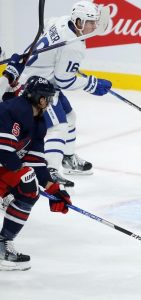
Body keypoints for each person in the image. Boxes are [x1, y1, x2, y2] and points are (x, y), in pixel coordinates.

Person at [20, 0, 112, 188]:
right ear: (78, 21)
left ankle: (67, 158)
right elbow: (64, 81)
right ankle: (50, 170)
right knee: (59, 126)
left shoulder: (62, 21)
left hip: (37, 75)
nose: (94, 26)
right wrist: (91, 83)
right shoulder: (74, 46)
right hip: (36, 86)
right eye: (90, 22)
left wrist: (56, 59)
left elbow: (46, 23)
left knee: (70, 116)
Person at [0, 76, 72, 271]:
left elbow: (36, 164)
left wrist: (55, 190)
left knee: (29, 189)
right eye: (48, 98)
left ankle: (2, 243)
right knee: (26, 179)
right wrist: (22, 173)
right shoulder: (14, 110)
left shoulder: (37, 122)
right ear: (41, 99)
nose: (49, 103)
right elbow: (3, 152)